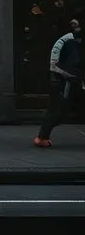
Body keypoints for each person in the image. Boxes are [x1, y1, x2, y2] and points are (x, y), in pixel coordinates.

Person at [34, 19, 83, 147]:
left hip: (75, 80)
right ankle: (42, 137)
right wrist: (69, 75)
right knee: (58, 109)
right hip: (62, 81)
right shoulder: (66, 40)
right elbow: (54, 64)